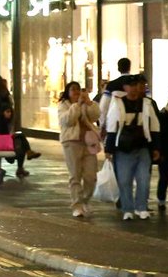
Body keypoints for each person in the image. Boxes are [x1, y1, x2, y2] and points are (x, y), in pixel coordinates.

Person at [105, 73, 160, 220]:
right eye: (131, 86)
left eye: (136, 85)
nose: (134, 89)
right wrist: (109, 149)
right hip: (123, 148)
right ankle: (127, 209)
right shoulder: (118, 103)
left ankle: (141, 207)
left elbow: (154, 126)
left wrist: (155, 147)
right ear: (125, 88)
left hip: (142, 146)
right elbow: (111, 127)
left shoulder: (147, 104)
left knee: (144, 178)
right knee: (124, 180)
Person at [57, 81, 100, 218]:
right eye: (73, 90)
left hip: (88, 143)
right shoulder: (63, 106)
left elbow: (95, 116)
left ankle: (85, 200)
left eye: (78, 90)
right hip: (71, 143)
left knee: (91, 176)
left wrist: (88, 103)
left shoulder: (85, 103)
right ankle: (76, 205)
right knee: (75, 175)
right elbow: (68, 121)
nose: (76, 92)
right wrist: (77, 105)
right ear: (67, 93)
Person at [98, 56, 132, 121]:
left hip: (116, 121)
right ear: (129, 67)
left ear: (118, 69)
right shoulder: (139, 84)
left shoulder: (112, 85)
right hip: (137, 123)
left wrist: (103, 124)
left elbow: (103, 106)